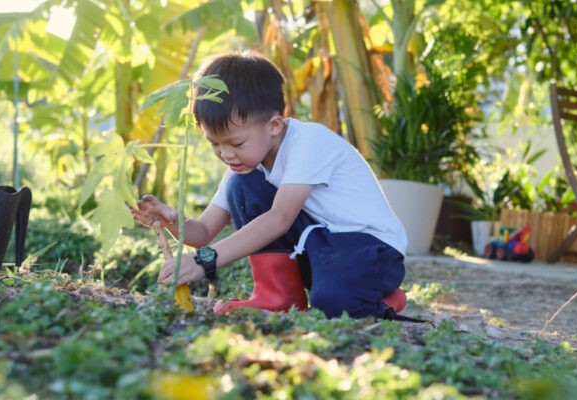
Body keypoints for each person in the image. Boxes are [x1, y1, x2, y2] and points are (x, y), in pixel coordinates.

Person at [131, 50, 409, 319]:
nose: (226, 154)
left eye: (236, 142)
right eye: (214, 143)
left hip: (372, 250)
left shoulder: (309, 143)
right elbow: (203, 232)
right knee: (241, 186)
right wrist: (170, 220)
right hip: (318, 245)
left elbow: (280, 219)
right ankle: (278, 297)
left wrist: (205, 261)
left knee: (334, 306)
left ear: (274, 125)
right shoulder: (244, 165)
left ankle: (385, 298)